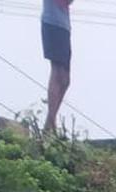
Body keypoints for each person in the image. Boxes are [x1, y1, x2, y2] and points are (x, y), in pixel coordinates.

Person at [41, 0, 72, 135]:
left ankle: (49, 124)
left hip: (63, 25)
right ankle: (51, 124)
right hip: (52, 22)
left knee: (65, 80)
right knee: (57, 73)